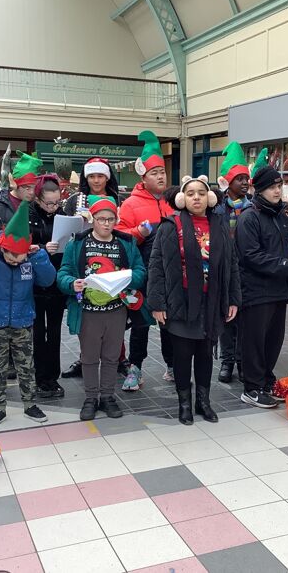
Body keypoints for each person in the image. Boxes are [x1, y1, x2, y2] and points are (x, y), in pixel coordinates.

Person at [149, 175, 241, 424]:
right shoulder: (170, 225)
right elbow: (157, 265)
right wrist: (157, 303)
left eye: (201, 193)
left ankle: (204, 401)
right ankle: (184, 404)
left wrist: (233, 299)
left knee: (204, 354)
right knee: (182, 355)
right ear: (182, 199)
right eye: (190, 194)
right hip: (180, 301)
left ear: (209, 198)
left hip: (211, 302)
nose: (196, 197)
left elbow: (231, 264)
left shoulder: (220, 224)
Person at [58, 195, 146, 421]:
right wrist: (72, 283)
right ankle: (90, 398)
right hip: (88, 311)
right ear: (92, 219)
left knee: (111, 356)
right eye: (101, 219)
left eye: (110, 219)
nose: (106, 224)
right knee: (89, 357)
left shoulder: (125, 243)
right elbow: (64, 273)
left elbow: (140, 271)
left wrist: (127, 279)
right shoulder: (77, 243)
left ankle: (107, 397)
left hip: (116, 310)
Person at [0, 200, 56, 428]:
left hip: (22, 320)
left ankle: (30, 404)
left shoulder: (31, 258)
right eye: (11, 257)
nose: (15, 262)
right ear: (3, 248)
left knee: (26, 365)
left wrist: (38, 258)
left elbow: (48, 280)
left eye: (20, 259)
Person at [236, 165, 288, 408]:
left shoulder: (280, 217)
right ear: (260, 189)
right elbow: (251, 256)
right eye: (272, 187)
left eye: (279, 186)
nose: (277, 191)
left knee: (274, 340)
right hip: (256, 291)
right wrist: (287, 264)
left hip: (279, 290)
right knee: (254, 341)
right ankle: (251, 387)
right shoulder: (249, 217)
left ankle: (265, 380)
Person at [115, 130, 175, 390]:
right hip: (142, 273)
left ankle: (173, 365)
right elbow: (118, 236)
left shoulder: (174, 201)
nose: (160, 177)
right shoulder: (130, 204)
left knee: (169, 322)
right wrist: (138, 232)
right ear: (143, 176)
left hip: (170, 274)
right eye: (155, 173)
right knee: (140, 324)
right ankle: (135, 368)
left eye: (162, 172)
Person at [61, 158, 127, 380]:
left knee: (115, 316)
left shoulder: (119, 199)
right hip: (83, 260)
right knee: (88, 319)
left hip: (113, 257)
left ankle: (119, 359)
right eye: (92, 176)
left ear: (107, 177)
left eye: (100, 176)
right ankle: (85, 359)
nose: (96, 180)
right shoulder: (74, 200)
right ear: (86, 178)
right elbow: (66, 229)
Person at [215, 142, 251, 383]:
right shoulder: (217, 208)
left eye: (246, 179)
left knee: (245, 320)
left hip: (247, 271)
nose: (245, 183)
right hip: (225, 271)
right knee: (227, 319)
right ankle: (227, 360)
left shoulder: (254, 207)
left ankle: (241, 360)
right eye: (240, 179)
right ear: (229, 182)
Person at [29, 175, 67, 399]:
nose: (53, 207)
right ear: (38, 199)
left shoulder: (62, 215)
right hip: (34, 282)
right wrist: (43, 247)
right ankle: (38, 376)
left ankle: (52, 377)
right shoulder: (28, 215)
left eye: (57, 202)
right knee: (37, 332)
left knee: (53, 331)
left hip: (57, 281)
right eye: (49, 203)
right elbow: (20, 244)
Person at [0, 151, 43, 226]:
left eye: (35, 187)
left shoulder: (38, 206)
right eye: (27, 187)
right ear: (15, 184)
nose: (32, 192)